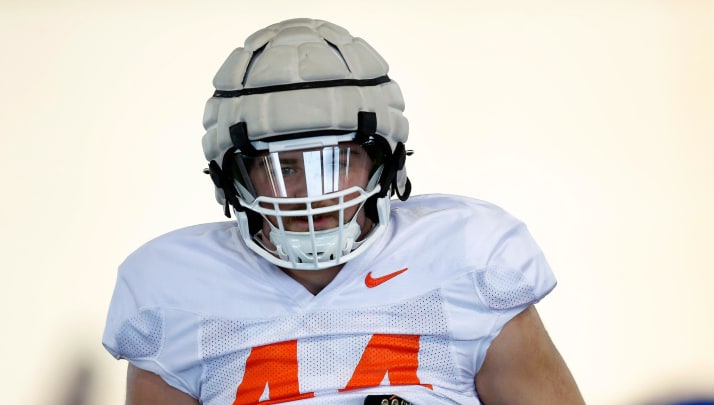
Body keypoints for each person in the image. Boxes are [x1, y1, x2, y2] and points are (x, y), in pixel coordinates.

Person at [102, 18, 585, 405]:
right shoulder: (171, 291)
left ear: (386, 160)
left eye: (337, 161)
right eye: (283, 167)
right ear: (232, 176)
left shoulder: (469, 256)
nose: (311, 194)